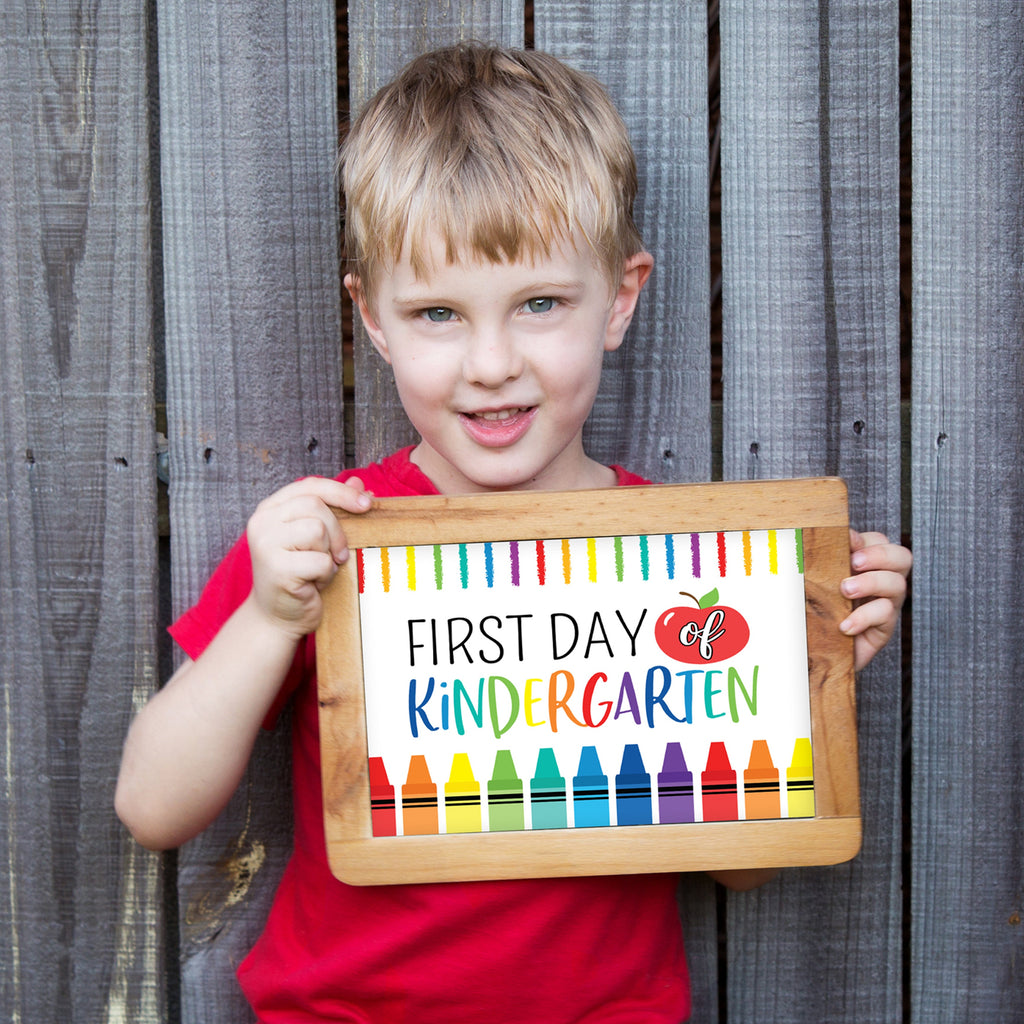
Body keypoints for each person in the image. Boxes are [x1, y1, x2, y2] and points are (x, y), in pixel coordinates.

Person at [116, 43, 912, 1023]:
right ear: (374, 319)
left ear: (619, 298)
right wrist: (270, 619)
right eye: (438, 313)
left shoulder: (682, 565)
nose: (491, 363)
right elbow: (152, 808)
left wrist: (801, 676)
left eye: (539, 304)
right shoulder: (326, 543)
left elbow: (739, 870)